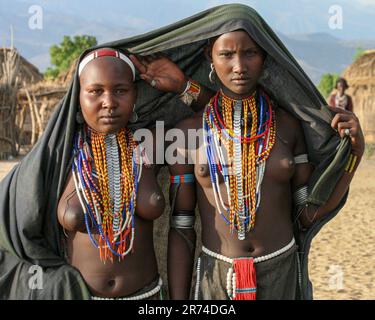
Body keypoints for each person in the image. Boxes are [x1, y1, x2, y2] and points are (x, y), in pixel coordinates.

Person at [131, 7, 365, 300]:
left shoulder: (288, 127)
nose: (239, 65)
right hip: (215, 277)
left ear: (265, 57)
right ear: (210, 58)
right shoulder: (188, 134)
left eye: (250, 53)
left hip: (281, 271)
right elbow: (182, 227)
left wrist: (354, 154)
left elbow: (307, 215)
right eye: (227, 54)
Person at [0, 47, 180, 300]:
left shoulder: (152, 142)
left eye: (120, 90)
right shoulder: (57, 155)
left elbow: (219, 127)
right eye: (95, 91)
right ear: (78, 96)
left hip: (148, 297)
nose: (109, 102)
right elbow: (10, 220)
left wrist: (183, 86)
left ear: (135, 94)